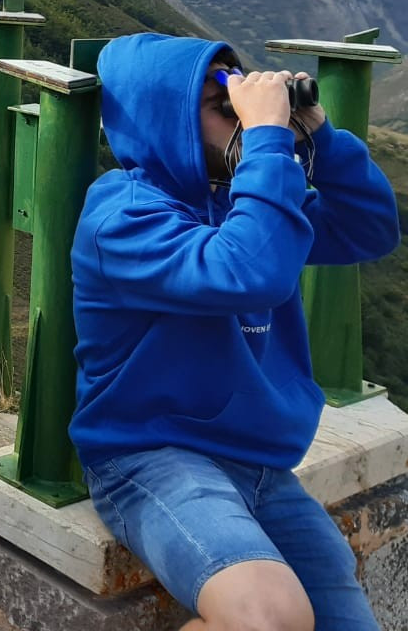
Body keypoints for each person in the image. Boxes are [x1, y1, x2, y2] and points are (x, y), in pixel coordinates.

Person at [73, 36, 398, 631]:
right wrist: (268, 143)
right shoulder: (121, 217)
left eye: (237, 95)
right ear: (164, 118)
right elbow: (248, 273)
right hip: (151, 454)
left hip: (260, 467)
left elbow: (370, 229)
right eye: (218, 103)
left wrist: (316, 135)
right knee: (270, 619)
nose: (238, 112)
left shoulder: (242, 200)